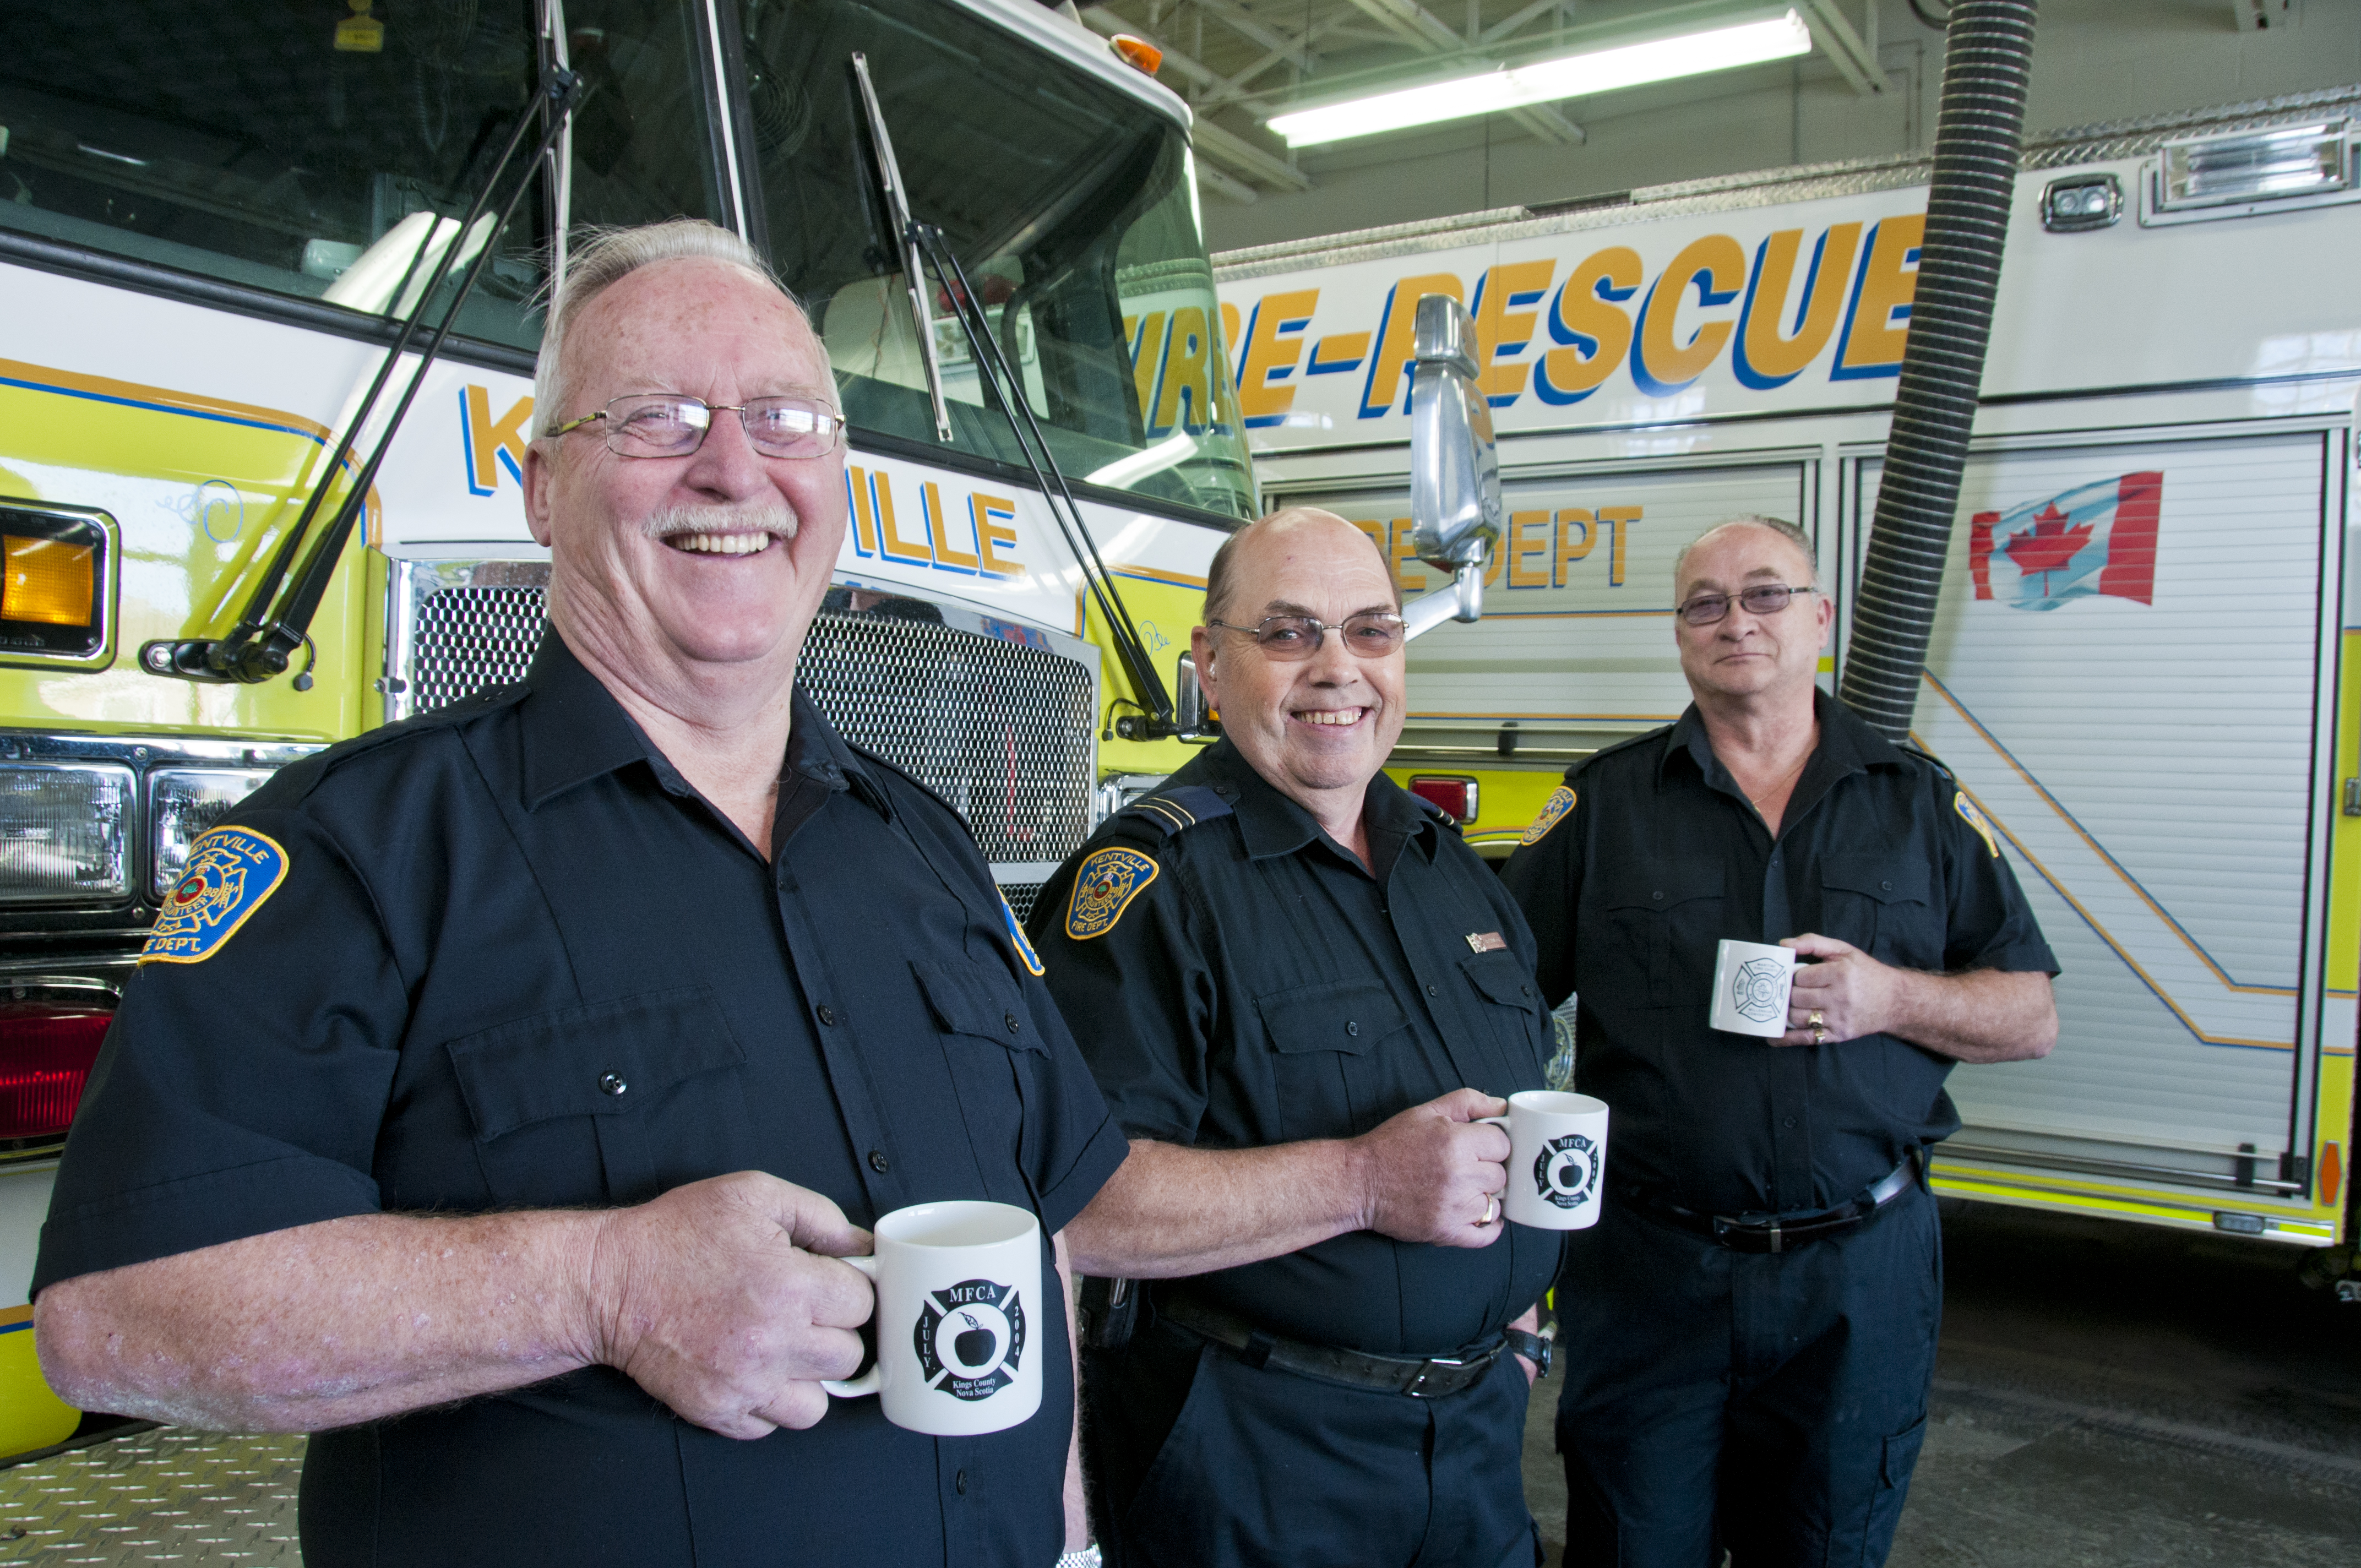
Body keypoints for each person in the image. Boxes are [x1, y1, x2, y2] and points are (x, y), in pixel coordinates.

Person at [31, 220, 1124, 1567]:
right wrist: (602, 1286)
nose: (735, 469)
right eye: (660, 418)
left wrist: (1070, 1539)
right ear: (543, 484)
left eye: (785, 419)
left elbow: (1040, 1227)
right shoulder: (356, 850)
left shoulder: (931, 849)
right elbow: (118, 1314)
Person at [1501, 515, 2059, 1568]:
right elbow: (1489, 1003)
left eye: (1764, 594)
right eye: (1704, 602)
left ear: (1820, 617)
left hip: (1859, 1285)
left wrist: (1889, 998)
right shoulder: (1605, 805)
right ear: (1679, 633)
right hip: (1650, 1279)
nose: (1735, 621)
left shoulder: (1916, 806)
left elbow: (2030, 1014)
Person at [1041, 509, 1562, 1568]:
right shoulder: (1154, 887)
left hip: (1476, 1448)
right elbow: (1077, 1207)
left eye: (1372, 631)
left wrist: (1513, 1325)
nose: (1339, 670)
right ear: (1210, 664)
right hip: (1258, 1466)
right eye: (1288, 635)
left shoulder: (1452, 868)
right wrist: (1363, 1183)